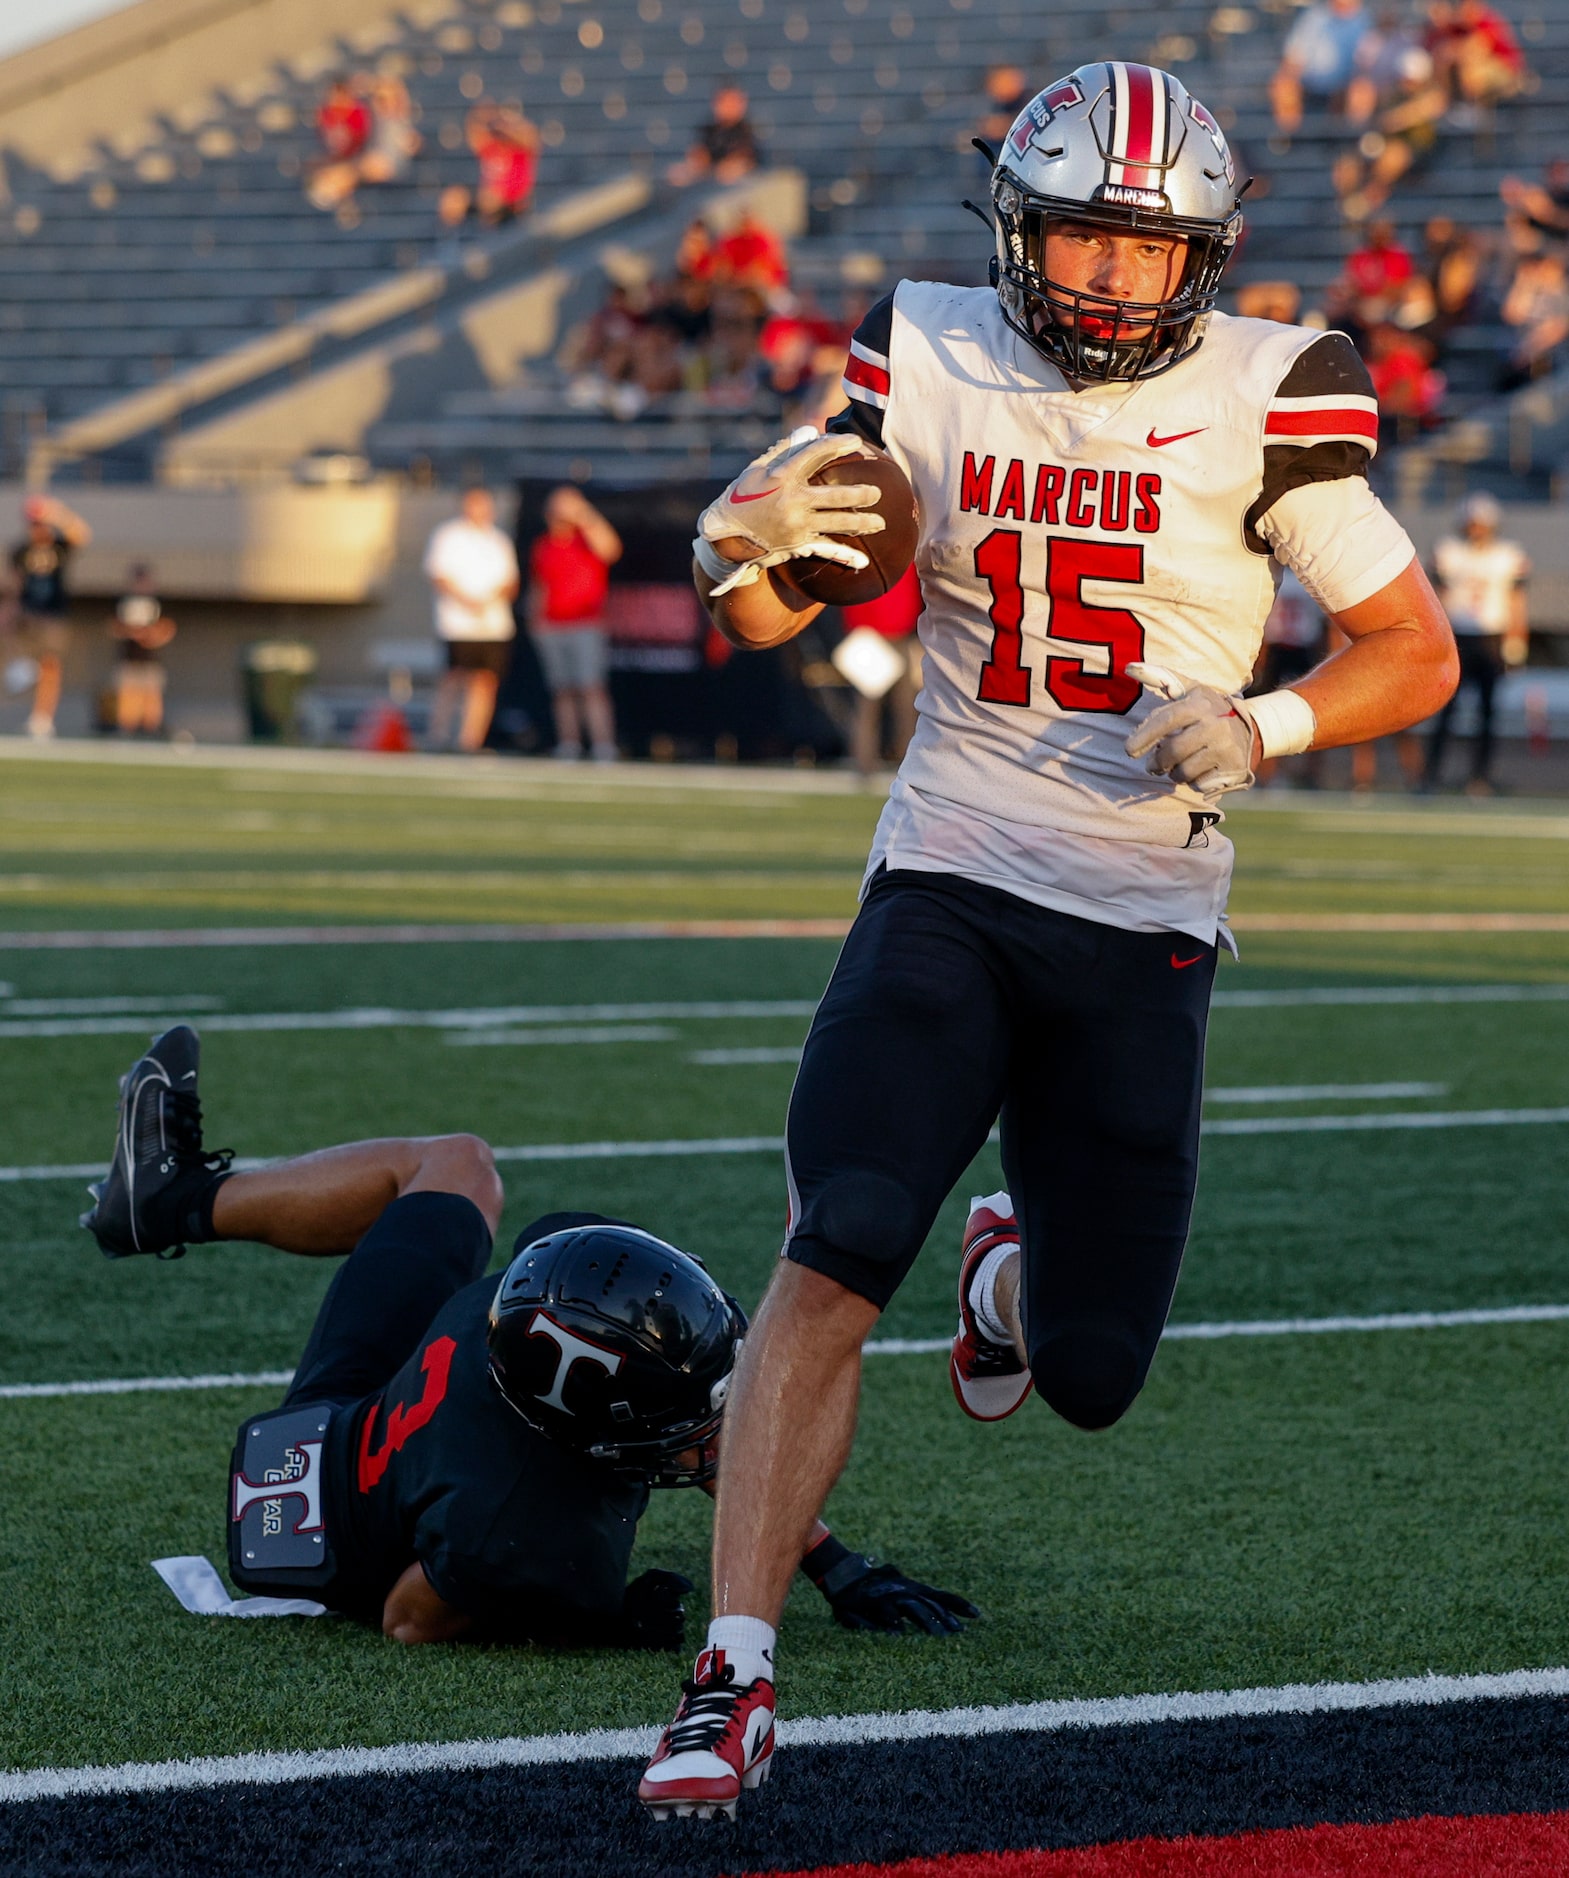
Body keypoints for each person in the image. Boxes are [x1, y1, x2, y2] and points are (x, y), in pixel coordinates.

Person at [651, 60, 1457, 1819]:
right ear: (1017, 232)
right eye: (1077, 239)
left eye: (1138, 249)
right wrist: (739, 553)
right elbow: (787, 593)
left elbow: (1410, 650)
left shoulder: (1271, 388)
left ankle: (1011, 1269)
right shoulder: (926, 347)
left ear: (1204, 257)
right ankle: (731, 1673)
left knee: (1087, 1379)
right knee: (837, 1239)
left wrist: (1264, 731)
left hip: (1140, 914)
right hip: (945, 865)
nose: (1101, 279)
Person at [79, 1028, 976, 1667]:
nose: (721, 1434)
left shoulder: (562, 1275)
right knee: (466, 1564)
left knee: (455, 1165)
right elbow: (407, 1619)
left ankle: (171, 1201)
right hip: (323, 1516)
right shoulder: (525, 1525)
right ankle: (165, 1196)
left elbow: (664, 1403)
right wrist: (566, 1614)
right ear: (585, 1442)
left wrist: (830, 1562)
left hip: (374, 1401)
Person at [1422, 491, 1529, 794]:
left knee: (1488, 713)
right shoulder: (1449, 551)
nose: (1476, 528)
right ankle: (1432, 775)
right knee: (1445, 711)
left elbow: (1517, 602)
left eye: (1481, 523)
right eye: (1472, 523)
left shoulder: (1508, 556)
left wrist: (1516, 643)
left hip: (1491, 640)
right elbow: (1437, 599)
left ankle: (1479, 777)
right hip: (1456, 638)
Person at [527, 487, 623, 762]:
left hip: (585, 623)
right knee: (562, 689)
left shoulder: (586, 538)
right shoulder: (543, 544)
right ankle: (569, 744)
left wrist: (582, 512)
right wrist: (536, 621)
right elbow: (539, 585)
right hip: (552, 626)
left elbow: (611, 549)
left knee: (591, 687)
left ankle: (603, 745)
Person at [423, 487, 520, 752]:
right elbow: (439, 575)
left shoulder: (498, 540)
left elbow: (511, 582)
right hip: (459, 624)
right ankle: (438, 736)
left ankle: (470, 740)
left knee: (485, 682)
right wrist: (468, 601)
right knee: (453, 678)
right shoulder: (448, 536)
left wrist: (487, 601)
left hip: (492, 625)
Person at [4, 493, 91, 739]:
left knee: (50, 665)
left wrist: (57, 513)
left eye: (40, 523)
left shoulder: (59, 546)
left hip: (53, 614)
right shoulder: (21, 550)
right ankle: (23, 683)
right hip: (28, 614)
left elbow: (82, 534)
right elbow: (15, 585)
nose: (36, 528)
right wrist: (8, 614)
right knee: (21, 664)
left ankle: (42, 718)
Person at [1270, 0, 1370, 136]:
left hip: (1344, 87)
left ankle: (1353, 140)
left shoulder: (1364, 22)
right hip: (1308, 85)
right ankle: (1289, 139)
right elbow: (1293, 58)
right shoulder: (1313, 18)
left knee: (1362, 90)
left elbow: (1366, 63)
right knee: (1283, 85)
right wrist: (1289, 77)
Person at [438, 103, 540, 229]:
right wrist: (484, 113)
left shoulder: (520, 151)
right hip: (488, 204)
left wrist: (507, 128)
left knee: (490, 200)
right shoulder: (491, 148)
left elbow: (531, 136)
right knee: (454, 199)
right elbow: (474, 132)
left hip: (511, 206)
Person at [107, 562, 176, 737]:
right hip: (129, 657)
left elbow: (168, 628)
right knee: (128, 699)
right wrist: (132, 632)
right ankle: (126, 733)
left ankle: (150, 733)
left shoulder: (157, 602)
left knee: (151, 698)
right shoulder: (123, 601)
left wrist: (151, 637)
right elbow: (113, 627)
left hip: (150, 659)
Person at [667, 86, 761, 188]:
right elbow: (699, 154)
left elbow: (742, 158)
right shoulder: (709, 130)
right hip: (709, 175)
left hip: (738, 184)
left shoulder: (746, 131)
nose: (728, 106)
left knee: (730, 172)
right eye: (724, 102)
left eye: (732, 102)